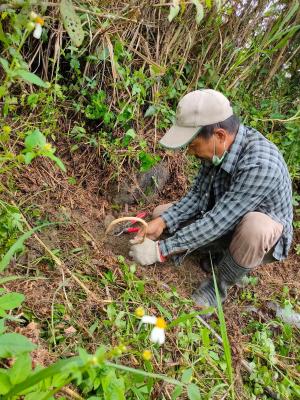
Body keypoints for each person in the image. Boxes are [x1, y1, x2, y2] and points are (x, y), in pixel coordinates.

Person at [129, 89, 293, 308]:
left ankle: (216, 289)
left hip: (259, 235)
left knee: (255, 228)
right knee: (161, 213)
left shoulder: (261, 164)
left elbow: (218, 221)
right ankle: (219, 253)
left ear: (219, 135)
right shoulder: (218, 151)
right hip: (225, 216)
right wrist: (163, 221)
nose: (190, 153)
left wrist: (161, 251)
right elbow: (198, 196)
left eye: (193, 145)